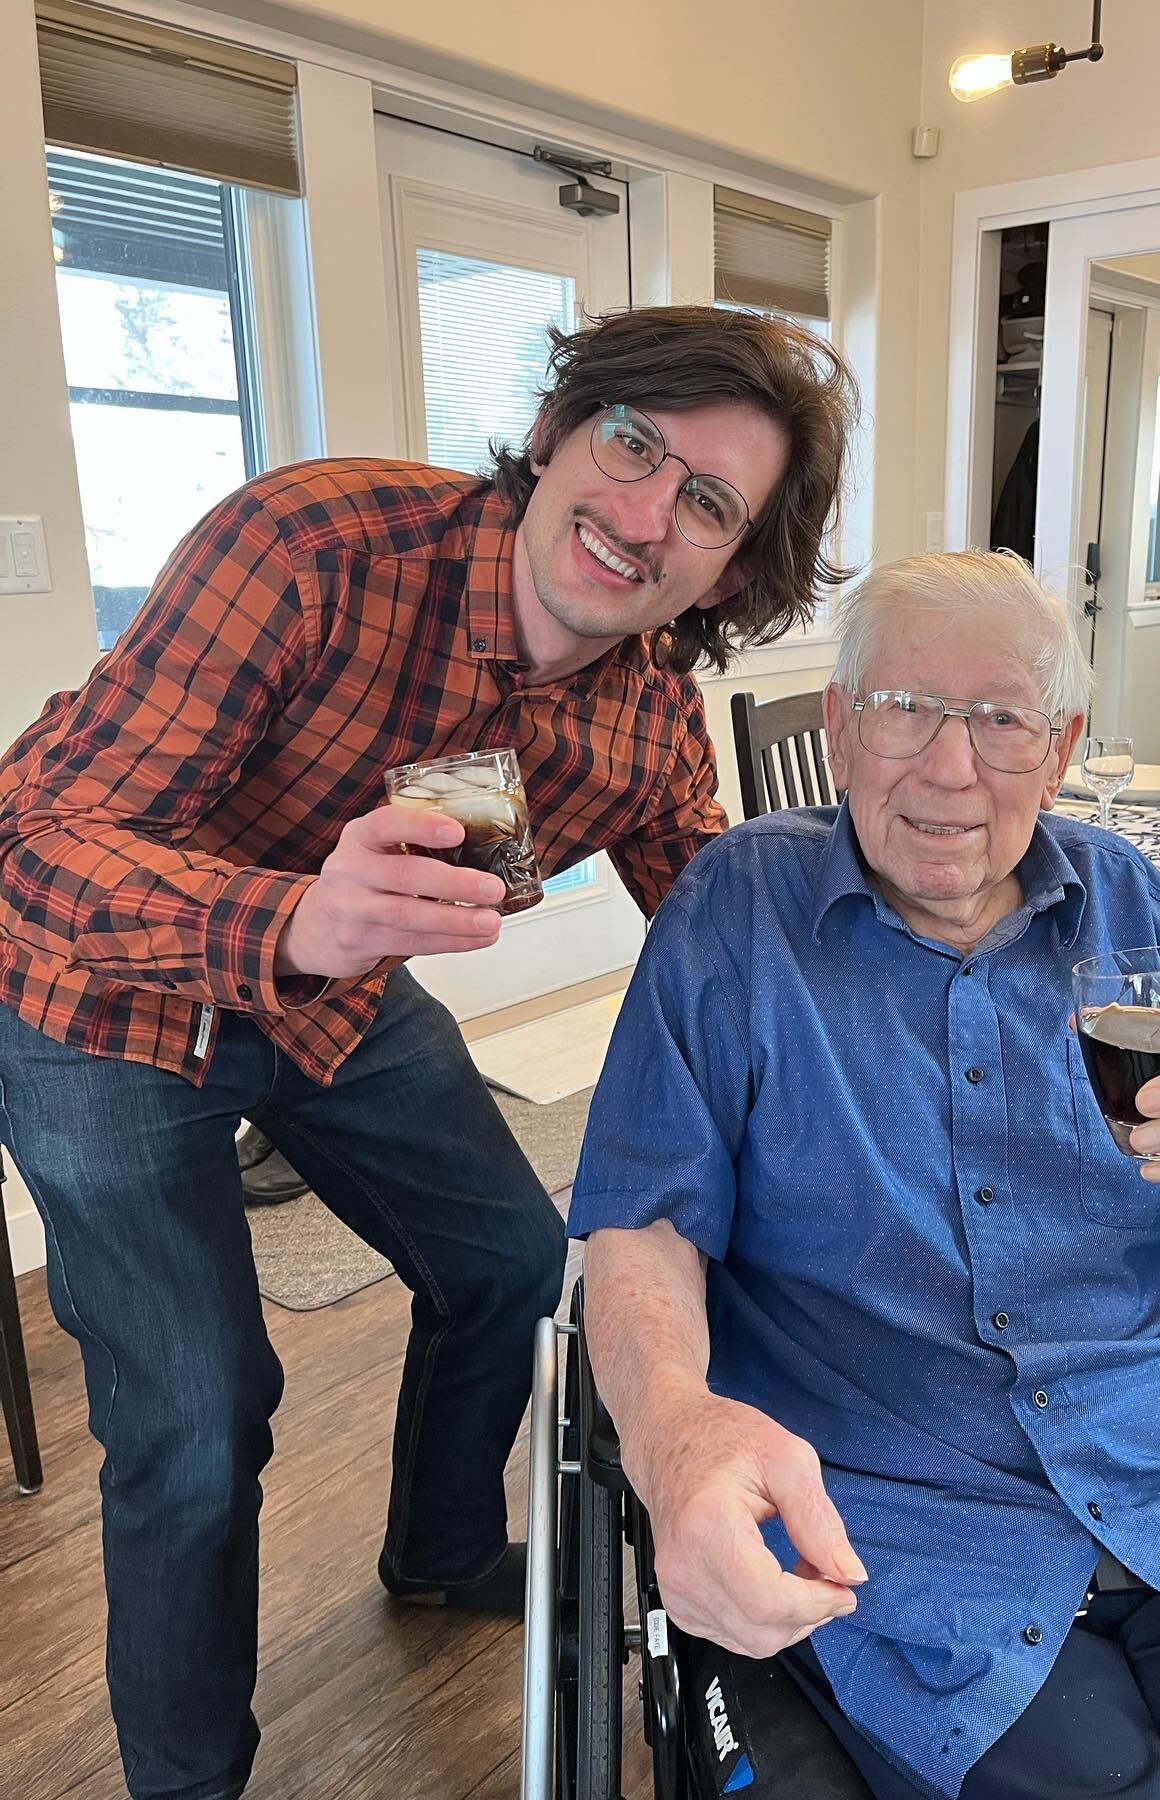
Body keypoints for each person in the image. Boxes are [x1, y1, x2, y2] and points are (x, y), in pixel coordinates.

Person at [0, 305, 857, 1800]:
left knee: (515, 1263)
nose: (645, 512)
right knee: (200, 1420)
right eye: (633, 444)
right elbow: (33, 841)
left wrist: (894, 1007)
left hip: (332, 1003)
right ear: (555, 432)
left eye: (709, 503)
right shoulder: (311, 547)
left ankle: (445, 1548)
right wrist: (289, 918)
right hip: (99, 995)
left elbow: (726, 940)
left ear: (735, 569)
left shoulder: (648, 721)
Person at [570, 550, 1160, 1800]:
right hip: (893, 1517)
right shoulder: (736, 913)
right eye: (905, 710)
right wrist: (671, 1433)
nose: (948, 767)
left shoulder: (1133, 907)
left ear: (1062, 740)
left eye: (999, 721)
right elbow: (643, 1220)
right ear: (838, 722)